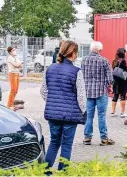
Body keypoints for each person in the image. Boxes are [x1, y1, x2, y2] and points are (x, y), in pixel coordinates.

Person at [40, 41, 86, 170]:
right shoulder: (77, 71)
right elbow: (81, 97)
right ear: (74, 53)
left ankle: (45, 171)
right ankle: (63, 172)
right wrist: (83, 111)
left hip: (53, 114)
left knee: (54, 143)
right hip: (70, 115)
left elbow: (43, 91)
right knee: (66, 145)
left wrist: (53, 102)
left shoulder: (50, 68)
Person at [82, 41, 115, 146]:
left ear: (91, 49)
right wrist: (108, 85)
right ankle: (104, 138)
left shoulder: (84, 60)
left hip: (88, 92)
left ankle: (87, 137)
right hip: (101, 92)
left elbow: (81, 76)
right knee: (101, 115)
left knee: (89, 116)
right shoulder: (104, 61)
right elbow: (110, 79)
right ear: (100, 50)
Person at [110, 48, 127, 118]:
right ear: (123, 53)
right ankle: (123, 112)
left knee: (115, 95)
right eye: (125, 52)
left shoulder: (114, 61)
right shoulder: (123, 61)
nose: (126, 54)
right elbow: (125, 70)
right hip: (122, 81)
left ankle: (112, 112)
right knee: (122, 96)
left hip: (116, 81)